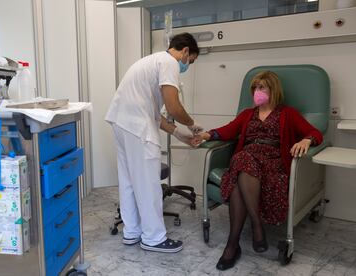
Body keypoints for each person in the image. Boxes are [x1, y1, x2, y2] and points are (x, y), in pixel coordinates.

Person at [191, 71, 323, 270]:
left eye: (262, 87)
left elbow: (314, 133)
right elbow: (228, 130)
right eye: (255, 88)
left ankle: (233, 246)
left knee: (237, 182)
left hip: (272, 163)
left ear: (273, 89)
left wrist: (306, 139)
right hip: (247, 157)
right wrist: (207, 135)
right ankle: (255, 227)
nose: (257, 91)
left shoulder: (288, 113)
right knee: (243, 158)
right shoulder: (247, 114)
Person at [105, 33, 202, 253]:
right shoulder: (169, 62)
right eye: (191, 60)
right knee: (148, 183)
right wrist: (192, 124)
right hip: (137, 127)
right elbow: (174, 107)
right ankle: (153, 238)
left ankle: (132, 232)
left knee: (129, 180)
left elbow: (157, 117)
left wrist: (179, 134)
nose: (188, 65)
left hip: (121, 123)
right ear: (185, 51)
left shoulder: (151, 61)